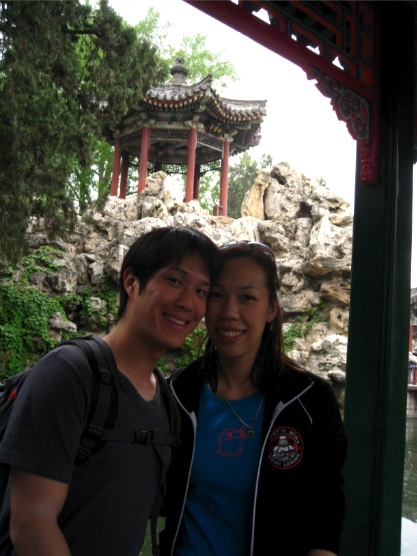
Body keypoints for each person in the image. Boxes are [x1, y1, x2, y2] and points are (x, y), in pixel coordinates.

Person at [0, 226, 221, 556]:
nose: (188, 303)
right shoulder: (69, 373)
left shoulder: (165, 398)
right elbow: (31, 526)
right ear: (131, 282)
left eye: (202, 291)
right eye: (174, 281)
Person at [160, 240, 347, 556]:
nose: (229, 312)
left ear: (272, 309)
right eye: (216, 295)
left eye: (247, 297)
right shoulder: (180, 391)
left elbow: (326, 518)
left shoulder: (310, 400)